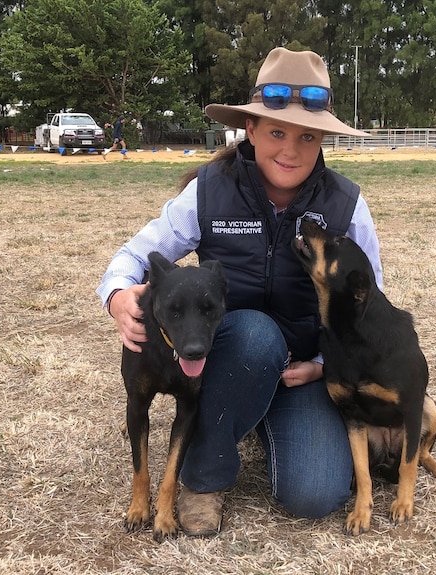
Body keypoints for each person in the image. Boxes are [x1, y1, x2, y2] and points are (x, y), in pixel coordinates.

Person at [96, 47, 379, 536]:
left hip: (302, 372)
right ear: (249, 129)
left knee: (314, 495)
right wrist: (118, 294)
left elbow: (368, 307)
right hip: (227, 354)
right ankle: (204, 478)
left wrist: (324, 367)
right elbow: (135, 255)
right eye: (276, 132)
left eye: (306, 137)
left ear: (323, 140)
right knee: (253, 334)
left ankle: (253, 422)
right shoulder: (207, 190)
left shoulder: (347, 205)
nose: (289, 150)